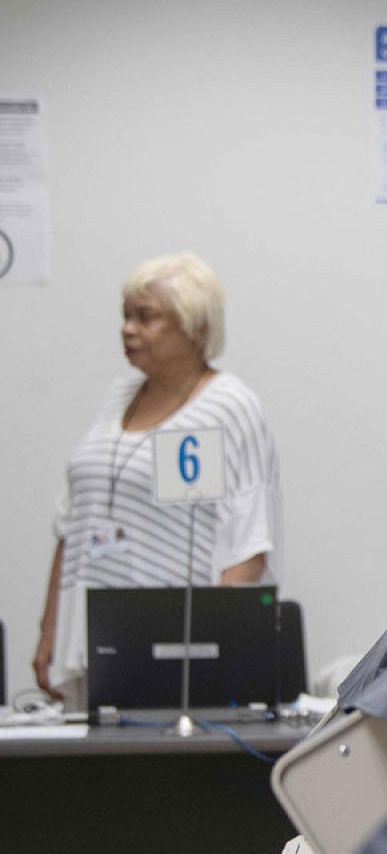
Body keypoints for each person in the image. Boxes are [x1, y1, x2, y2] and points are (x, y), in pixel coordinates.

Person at [33, 252, 284, 707]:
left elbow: (248, 546)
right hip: (92, 640)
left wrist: (207, 650)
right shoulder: (118, 397)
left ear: (195, 328)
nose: (127, 329)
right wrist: (51, 628)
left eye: (145, 317)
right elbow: (71, 524)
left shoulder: (228, 407)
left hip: (168, 650)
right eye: (125, 316)